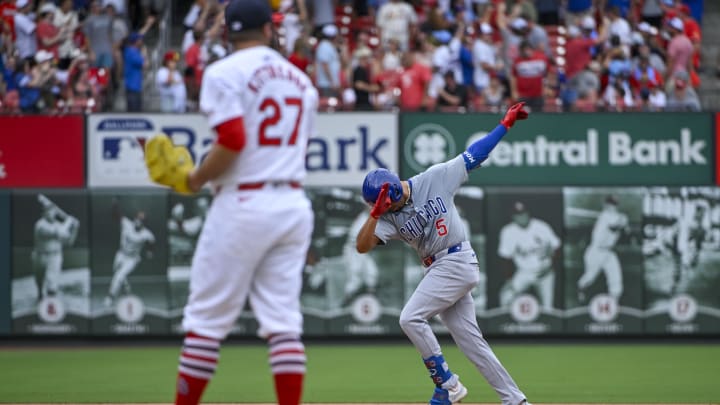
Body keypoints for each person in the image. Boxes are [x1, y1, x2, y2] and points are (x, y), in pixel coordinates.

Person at [143, 1, 317, 404]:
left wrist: (194, 178)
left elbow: (234, 140)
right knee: (283, 325)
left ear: (226, 32)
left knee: (205, 322)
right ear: (270, 29)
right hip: (291, 201)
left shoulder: (222, 72)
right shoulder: (299, 80)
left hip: (244, 202)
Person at [356, 102, 532, 405]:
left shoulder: (434, 178)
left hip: (456, 259)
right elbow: (362, 246)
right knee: (473, 344)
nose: (384, 210)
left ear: (394, 192)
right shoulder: (385, 218)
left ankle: (448, 384)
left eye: (385, 203)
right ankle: (515, 400)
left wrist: (505, 124)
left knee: (410, 318)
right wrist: (374, 214)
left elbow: (475, 155)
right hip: (437, 268)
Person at [497, 201, 561, 310]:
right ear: (513, 217)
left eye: (523, 213)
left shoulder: (542, 227)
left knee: (548, 308)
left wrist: (552, 267)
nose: (522, 217)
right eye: (518, 215)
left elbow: (557, 247)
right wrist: (509, 280)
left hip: (545, 274)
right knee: (506, 297)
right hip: (524, 273)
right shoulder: (507, 232)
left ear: (528, 213)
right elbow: (505, 258)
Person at [576, 195, 630, 303]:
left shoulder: (615, 216)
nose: (612, 206)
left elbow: (626, 232)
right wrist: (623, 220)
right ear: (605, 205)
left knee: (615, 277)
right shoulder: (605, 216)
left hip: (609, 252)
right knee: (589, 277)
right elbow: (614, 226)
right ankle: (580, 289)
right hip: (596, 251)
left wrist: (625, 224)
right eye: (610, 204)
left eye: (614, 204)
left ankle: (615, 300)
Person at [104, 201, 155, 307]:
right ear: (134, 218)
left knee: (118, 276)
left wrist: (150, 251)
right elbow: (116, 215)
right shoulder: (126, 223)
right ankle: (127, 288)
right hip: (121, 254)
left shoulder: (146, 234)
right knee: (117, 274)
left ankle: (110, 297)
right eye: (137, 218)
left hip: (132, 259)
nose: (138, 221)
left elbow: (151, 242)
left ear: (144, 223)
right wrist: (114, 205)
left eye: (141, 220)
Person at [32, 194, 79, 300]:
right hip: (40, 256)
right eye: (48, 211)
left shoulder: (58, 224)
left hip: (55, 256)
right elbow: (60, 232)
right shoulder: (40, 225)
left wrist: (75, 229)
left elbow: (69, 242)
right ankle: (40, 294)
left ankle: (50, 301)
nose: (51, 213)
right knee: (39, 280)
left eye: (53, 211)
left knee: (52, 284)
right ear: (43, 213)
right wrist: (69, 221)